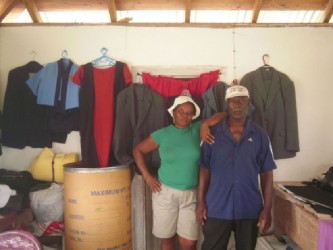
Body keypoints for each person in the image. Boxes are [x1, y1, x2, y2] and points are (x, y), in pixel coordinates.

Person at [133, 93, 226, 250]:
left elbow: (224, 115)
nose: (185, 115)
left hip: (191, 195)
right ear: (174, 113)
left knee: (188, 243)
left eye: (189, 113)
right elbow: (138, 151)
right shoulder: (162, 134)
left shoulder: (197, 130)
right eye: (181, 111)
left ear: (193, 116)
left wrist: (205, 124)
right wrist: (148, 177)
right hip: (165, 194)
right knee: (168, 240)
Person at [197, 85, 276, 250]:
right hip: (217, 207)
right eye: (233, 101)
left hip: (249, 207)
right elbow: (205, 170)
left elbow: (267, 174)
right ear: (227, 103)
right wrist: (201, 202)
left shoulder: (260, 135)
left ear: (249, 103)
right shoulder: (211, 134)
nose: (237, 104)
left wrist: (267, 209)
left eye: (242, 100)